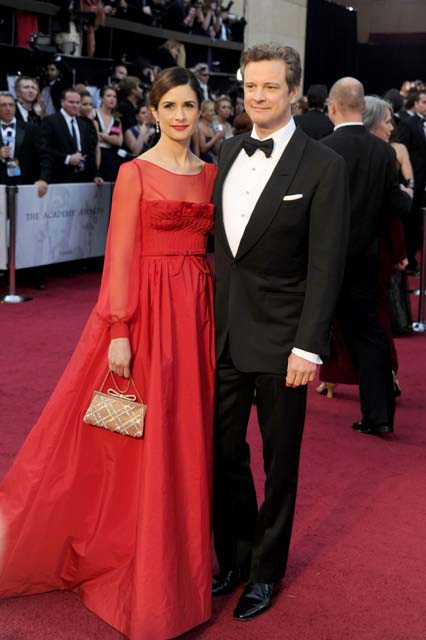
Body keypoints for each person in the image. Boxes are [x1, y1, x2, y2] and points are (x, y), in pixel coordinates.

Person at [0, 66, 217, 640]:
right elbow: (119, 252)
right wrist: (119, 328)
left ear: (200, 109)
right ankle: (143, 558)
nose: (179, 116)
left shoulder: (210, 174)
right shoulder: (134, 172)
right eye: (169, 106)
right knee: (139, 435)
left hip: (196, 313)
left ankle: (181, 559)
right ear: (153, 112)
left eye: (188, 105)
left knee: (185, 430)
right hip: (146, 313)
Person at [212, 43, 350, 620]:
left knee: (279, 465)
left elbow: (326, 265)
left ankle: (267, 573)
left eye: (270, 86)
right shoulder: (226, 150)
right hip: (223, 335)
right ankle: (236, 556)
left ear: (294, 91)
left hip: (283, 343)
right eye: (251, 86)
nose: (259, 96)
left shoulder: (324, 165)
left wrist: (308, 348)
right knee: (222, 454)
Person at [317, 80, 410, 432]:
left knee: (300, 329)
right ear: (362, 107)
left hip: (325, 261)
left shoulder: (321, 149)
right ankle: (379, 415)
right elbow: (395, 206)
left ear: (333, 107)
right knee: (370, 334)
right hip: (366, 261)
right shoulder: (383, 153)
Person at [41, 88, 102, 185]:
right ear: (62, 102)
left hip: (82, 177)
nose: (75, 105)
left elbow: (89, 151)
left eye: (77, 103)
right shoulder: (51, 121)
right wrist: (67, 159)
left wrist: (95, 175)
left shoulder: (83, 124)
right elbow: (45, 148)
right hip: (59, 177)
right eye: (71, 102)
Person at [398, 89, 426, 271]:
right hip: (415, 180)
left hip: (424, 183)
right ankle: (409, 258)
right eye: (424, 102)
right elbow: (404, 152)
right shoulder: (408, 124)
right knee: (412, 221)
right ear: (415, 104)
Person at [0, 91, 48, 196]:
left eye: (11, 105)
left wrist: (43, 179)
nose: (8, 108)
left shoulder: (30, 129)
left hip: (25, 185)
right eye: (3, 105)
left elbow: (44, 155)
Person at [94, 86, 123, 181]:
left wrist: (102, 136)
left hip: (110, 157)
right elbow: (93, 137)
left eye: (114, 96)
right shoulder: (93, 113)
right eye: (109, 96)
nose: (112, 99)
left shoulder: (116, 119)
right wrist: (110, 138)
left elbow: (118, 141)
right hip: (95, 154)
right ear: (101, 98)